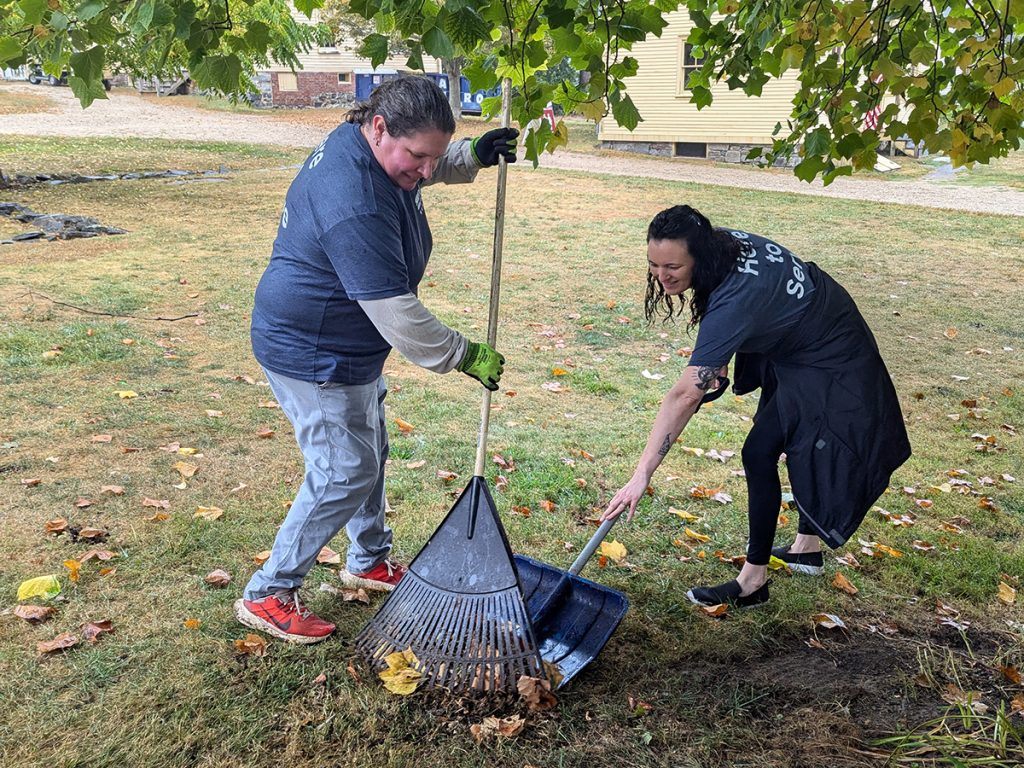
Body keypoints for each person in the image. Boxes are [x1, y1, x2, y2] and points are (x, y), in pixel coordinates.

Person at [234, 76, 519, 643]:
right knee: (345, 468)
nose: (427, 171)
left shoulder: (372, 146)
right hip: (312, 348)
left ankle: (368, 561)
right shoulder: (355, 200)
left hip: (348, 344)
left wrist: (471, 157)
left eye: (437, 156)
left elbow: (417, 165)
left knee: (370, 449)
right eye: (420, 157)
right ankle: (268, 591)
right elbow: (399, 315)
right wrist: (464, 355)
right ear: (380, 127)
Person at [602, 205, 911, 607]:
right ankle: (805, 548)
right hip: (804, 328)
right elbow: (745, 307)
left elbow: (685, 393)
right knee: (779, 440)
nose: (662, 277)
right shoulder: (719, 246)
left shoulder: (735, 295)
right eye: (654, 265)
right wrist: (721, 357)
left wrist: (641, 474)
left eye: (672, 266)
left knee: (761, 450)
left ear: (700, 256)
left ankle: (753, 580)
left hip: (830, 352)